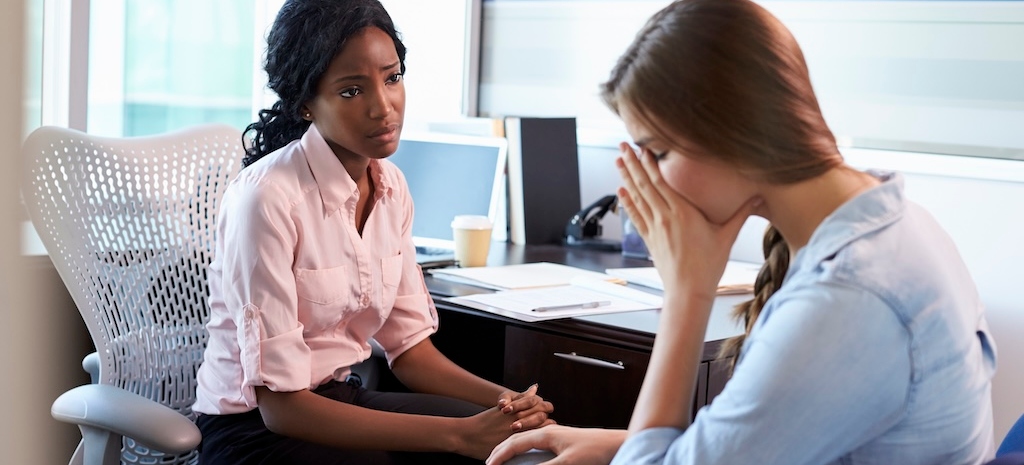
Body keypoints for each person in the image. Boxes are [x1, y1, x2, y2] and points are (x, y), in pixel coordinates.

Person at [487, 0, 997, 464]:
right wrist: (611, 443)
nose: (650, 182)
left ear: (733, 133)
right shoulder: (894, 222)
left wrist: (688, 292)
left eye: (659, 153)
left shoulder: (846, 299)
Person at [192, 1, 554, 463]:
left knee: (518, 448)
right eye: (351, 91)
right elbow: (281, 409)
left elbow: (411, 353)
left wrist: (509, 403)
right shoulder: (267, 198)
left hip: (339, 399)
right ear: (305, 103)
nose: (384, 107)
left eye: (393, 78)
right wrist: (460, 434)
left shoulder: (391, 186)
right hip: (252, 430)